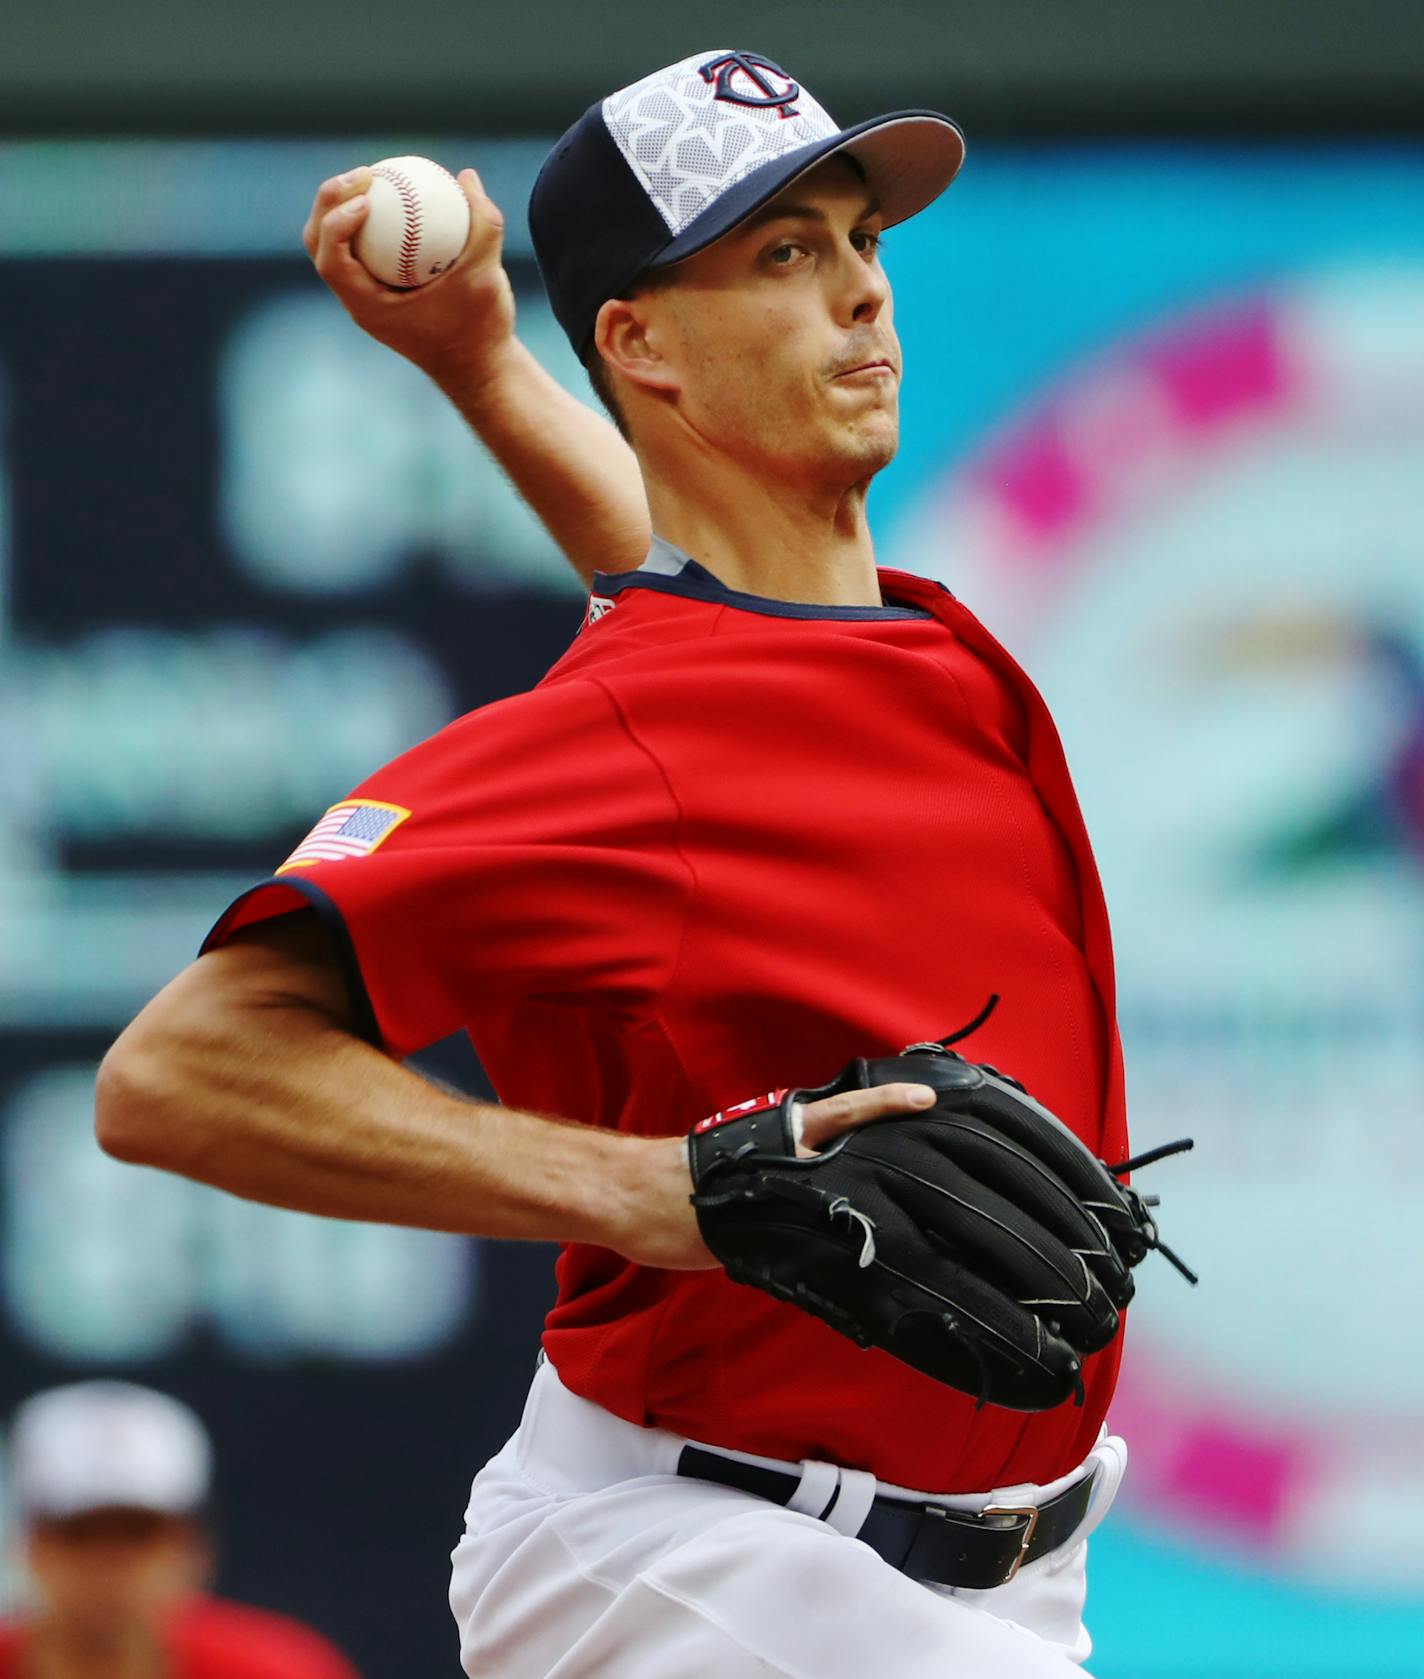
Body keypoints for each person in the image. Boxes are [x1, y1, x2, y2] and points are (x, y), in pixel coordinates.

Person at [97, 49, 1138, 1677]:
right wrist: (663, 1195)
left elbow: (700, 608)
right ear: (639, 342)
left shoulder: (892, 646)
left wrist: (484, 366)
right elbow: (172, 1072)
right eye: (781, 254)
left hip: (974, 1568)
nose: (859, 296)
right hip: (712, 1554)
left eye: (859, 240)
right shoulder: (614, 743)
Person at [0, 1381, 360, 1679]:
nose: (110, 1564)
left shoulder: (281, 1671)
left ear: (196, 1547)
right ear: (26, 1543)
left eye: (140, 1535)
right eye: (79, 1534)